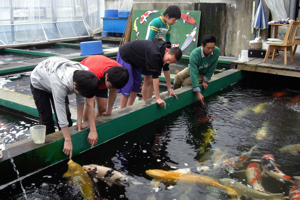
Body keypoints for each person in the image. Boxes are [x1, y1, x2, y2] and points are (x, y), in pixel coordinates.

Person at [30, 57, 100, 159]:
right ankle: (49, 151)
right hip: (40, 83)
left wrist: (79, 120)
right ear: (75, 84)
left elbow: (81, 100)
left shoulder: (85, 75)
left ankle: (65, 138)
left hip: (54, 75)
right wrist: (68, 140)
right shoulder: (60, 84)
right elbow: (59, 110)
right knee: (47, 119)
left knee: (67, 117)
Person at [117, 38, 182, 109]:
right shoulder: (155, 54)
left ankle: (129, 107)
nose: (168, 62)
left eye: (171, 62)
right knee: (128, 85)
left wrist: (169, 88)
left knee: (137, 83)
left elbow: (166, 69)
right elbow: (155, 77)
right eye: (169, 60)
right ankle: (122, 110)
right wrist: (158, 98)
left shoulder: (166, 54)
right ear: (167, 51)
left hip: (139, 59)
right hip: (125, 55)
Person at [142, 5, 181, 101]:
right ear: (167, 16)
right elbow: (151, 39)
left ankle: (150, 100)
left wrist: (168, 51)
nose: (174, 22)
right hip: (149, 52)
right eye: (174, 20)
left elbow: (167, 41)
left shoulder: (168, 25)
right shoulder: (156, 22)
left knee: (152, 79)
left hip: (159, 52)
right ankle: (144, 102)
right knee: (148, 79)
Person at [174, 34, 220, 104]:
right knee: (178, 76)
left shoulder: (216, 51)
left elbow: (213, 67)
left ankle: (182, 98)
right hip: (192, 69)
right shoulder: (195, 54)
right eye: (208, 48)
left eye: (213, 48)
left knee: (185, 83)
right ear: (202, 45)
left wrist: (205, 80)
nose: (211, 50)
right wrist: (198, 93)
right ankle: (175, 93)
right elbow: (194, 72)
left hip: (203, 74)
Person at [80, 55, 129, 121]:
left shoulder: (119, 72)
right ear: (106, 76)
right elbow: (90, 104)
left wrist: (109, 110)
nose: (111, 89)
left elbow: (113, 90)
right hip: (89, 76)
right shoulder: (93, 74)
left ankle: (97, 123)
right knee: (90, 104)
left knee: (103, 108)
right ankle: (87, 125)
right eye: (111, 87)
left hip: (102, 74)